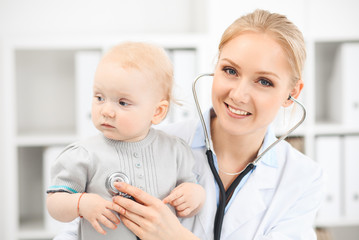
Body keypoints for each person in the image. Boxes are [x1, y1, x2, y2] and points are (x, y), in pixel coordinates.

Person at [54, 9, 323, 240]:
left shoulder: (301, 178)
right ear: (216, 67)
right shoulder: (144, 142)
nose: (238, 95)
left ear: (292, 93)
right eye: (230, 71)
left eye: (264, 81)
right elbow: (78, 229)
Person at [46, 42, 206, 240]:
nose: (106, 111)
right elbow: (54, 203)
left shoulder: (175, 151)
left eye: (122, 102)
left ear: (157, 112)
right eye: (99, 97)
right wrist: (81, 203)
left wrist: (195, 195)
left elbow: (189, 196)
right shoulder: (84, 154)